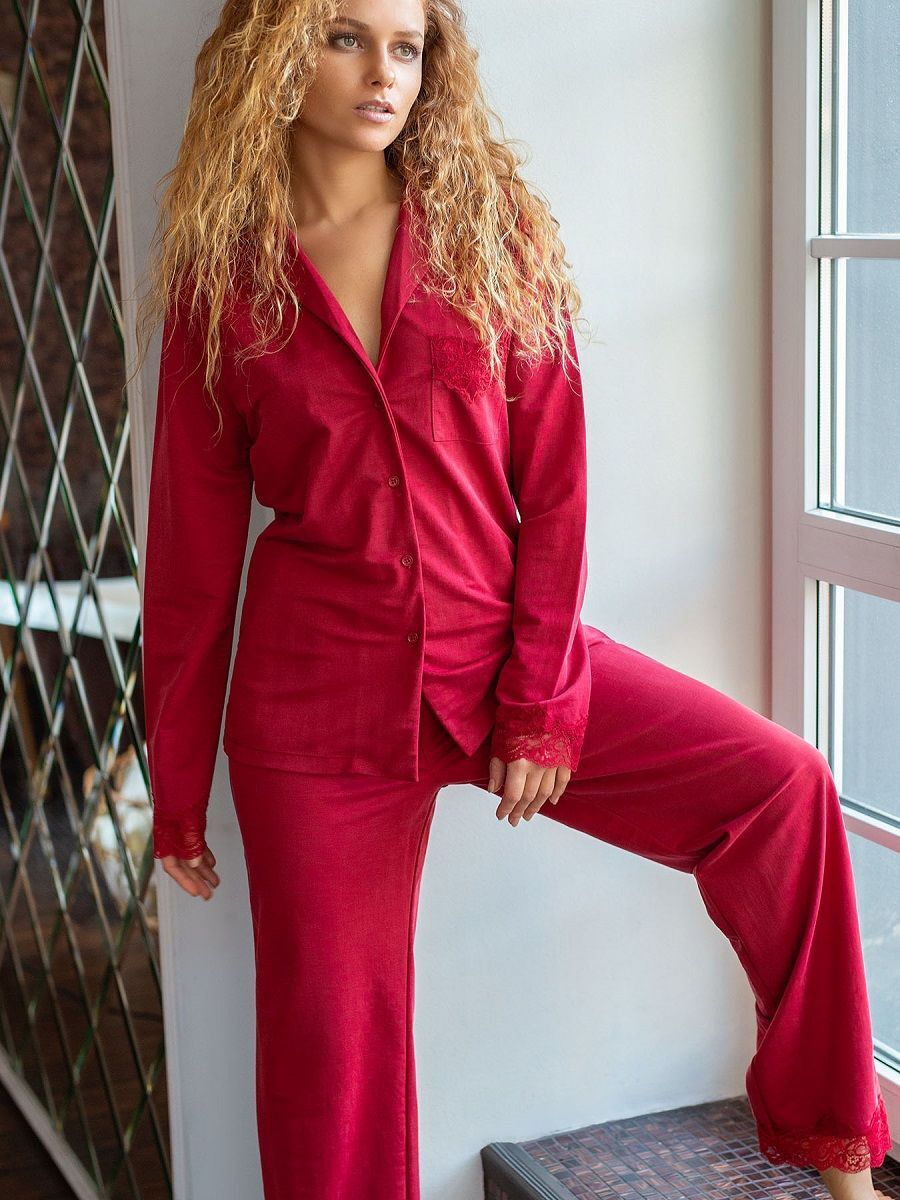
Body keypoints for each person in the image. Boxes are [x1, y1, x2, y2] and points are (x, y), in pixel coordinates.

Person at [134, 1, 894, 1197]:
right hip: (317, 707)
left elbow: (557, 490)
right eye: (345, 37)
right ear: (274, 51)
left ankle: (841, 1159)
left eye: (407, 46)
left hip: (504, 657)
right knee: (332, 1058)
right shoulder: (222, 279)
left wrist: (539, 705)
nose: (384, 74)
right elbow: (191, 554)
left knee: (779, 790)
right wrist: (176, 786)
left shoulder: (492, 233)